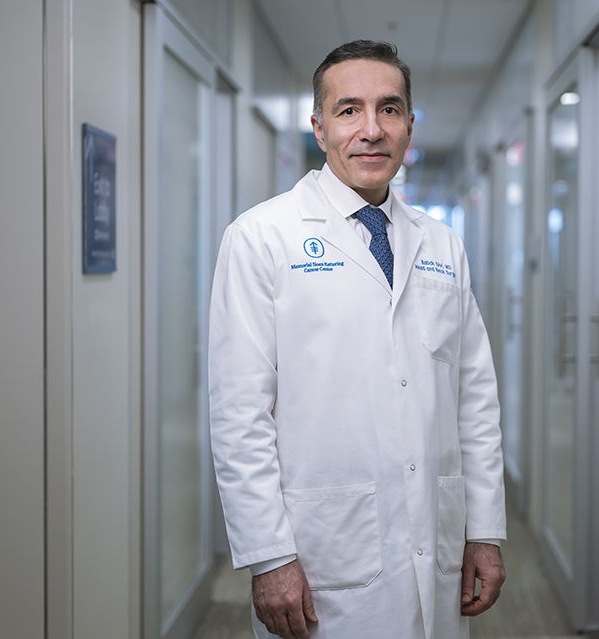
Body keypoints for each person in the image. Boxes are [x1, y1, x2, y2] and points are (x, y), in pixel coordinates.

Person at [209, 40, 506, 639]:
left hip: (436, 543)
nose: (371, 129)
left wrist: (484, 530)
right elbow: (239, 414)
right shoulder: (262, 238)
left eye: (388, 109)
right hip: (321, 557)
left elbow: (474, 400)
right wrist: (269, 556)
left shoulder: (441, 244)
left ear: (409, 126)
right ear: (319, 128)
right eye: (349, 110)